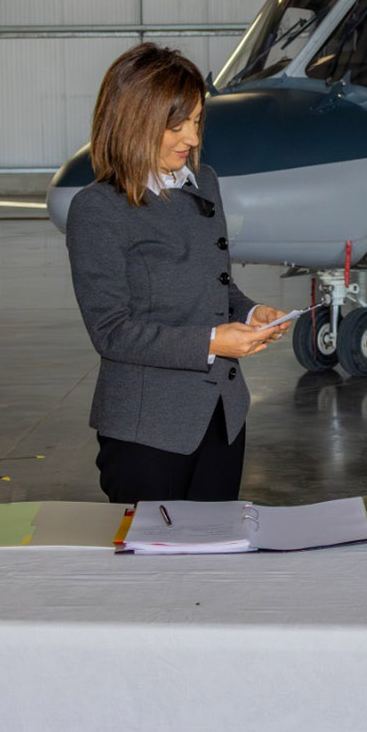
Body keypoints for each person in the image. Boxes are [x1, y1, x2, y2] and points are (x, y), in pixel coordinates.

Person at [66, 43, 290, 503]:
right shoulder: (97, 209)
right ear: (135, 121)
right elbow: (112, 332)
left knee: (216, 545)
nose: (191, 137)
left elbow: (215, 285)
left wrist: (251, 314)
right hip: (147, 433)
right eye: (177, 125)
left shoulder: (204, 183)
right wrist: (213, 342)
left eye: (197, 121)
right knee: (152, 550)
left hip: (223, 416)